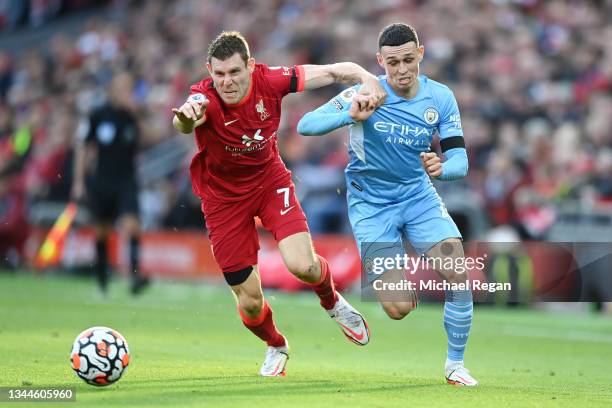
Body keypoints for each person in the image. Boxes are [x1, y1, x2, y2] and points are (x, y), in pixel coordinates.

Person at [172, 31, 385, 377]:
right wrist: (184, 117)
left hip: (270, 182)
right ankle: (275, 344)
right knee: (250, 302)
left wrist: (367, 76)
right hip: (223, 200)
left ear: (250, 66)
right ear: (209, 71)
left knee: (302, 265)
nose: (227, 82)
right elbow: (184, 122)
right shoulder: (203, 98)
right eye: (219, 74)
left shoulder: (271, 80)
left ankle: (332, 303)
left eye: (235, 72)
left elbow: (332, 71)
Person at [297, 23, 477, 386]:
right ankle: (397, 278)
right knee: (397, 309)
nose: (402, 69)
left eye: (408, 60)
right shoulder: (366, 92)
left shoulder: (440, 97)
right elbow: (305, 124)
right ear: (380, 61)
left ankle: (455, 365)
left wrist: (444, 169)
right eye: (392, 62)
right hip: (370, 203)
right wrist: (350, 115)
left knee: (458, 272)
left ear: (421, 54)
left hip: (418, 196)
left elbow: (460, 159)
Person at [71, 72, 150, 296]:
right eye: (122, 87)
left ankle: (135, 276)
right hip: (103, 180)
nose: (127, 93)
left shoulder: (133, 116)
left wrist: (137, 115)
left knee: (132, 224)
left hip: (127, 179)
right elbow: (83, 146)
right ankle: (102, 279)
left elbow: (150, 137)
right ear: (113, 90)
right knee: (101, 232)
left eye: (129, 88)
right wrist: (79, 181)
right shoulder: (98, 115)